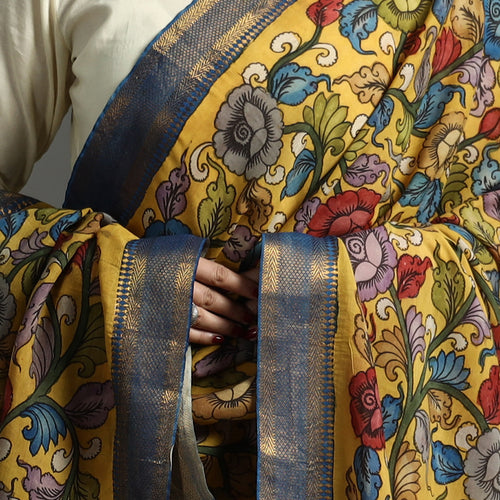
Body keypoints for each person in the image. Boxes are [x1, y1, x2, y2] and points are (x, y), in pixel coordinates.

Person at [1, 0, 500, 498]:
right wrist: (122, 278)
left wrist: (317, 286)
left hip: (356, 434)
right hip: (119, 431)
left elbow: (486, 242)